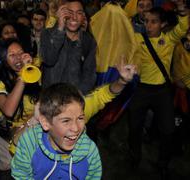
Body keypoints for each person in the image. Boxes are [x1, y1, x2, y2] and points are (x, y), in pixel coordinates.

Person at [11, 59, 137, 179]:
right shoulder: (30, 142)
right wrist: (35, 119)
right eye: (66, 121)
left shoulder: (89, 151)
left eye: (81, 118)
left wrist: (121, 82)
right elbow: (14, 151)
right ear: (45, 122)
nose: (76, 128)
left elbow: (100, 97)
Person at [127, 2, 189, 178]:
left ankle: (163, 163)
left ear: (162, 24)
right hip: (141, 90)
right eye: (146, 21)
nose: (148, 25)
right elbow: (123, 36)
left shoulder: (169, 39)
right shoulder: (138, 39)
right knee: (134, 128)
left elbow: (183, 26)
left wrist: (182, 9)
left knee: (168, 130)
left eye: (153, 22)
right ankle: (134, 156)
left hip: (162, 92)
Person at [0, 39, 41, 171]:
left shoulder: (34, 73)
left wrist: (30, 70)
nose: (18, 58)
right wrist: (23, 77)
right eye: (12, 55)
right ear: (2, 59)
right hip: (7, 140)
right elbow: (8, 110)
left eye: (21, 53)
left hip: (29, 134)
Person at [40, 0, 96, 95]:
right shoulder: (47, 34)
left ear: (83, 16)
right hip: (50, 98)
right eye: (70, 13)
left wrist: (79, 95)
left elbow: (89, 74)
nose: (74, 17)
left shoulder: (88, 40)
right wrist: (60, 30)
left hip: (74, 98)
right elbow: (49, 60)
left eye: (79, 13)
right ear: (61, 14)